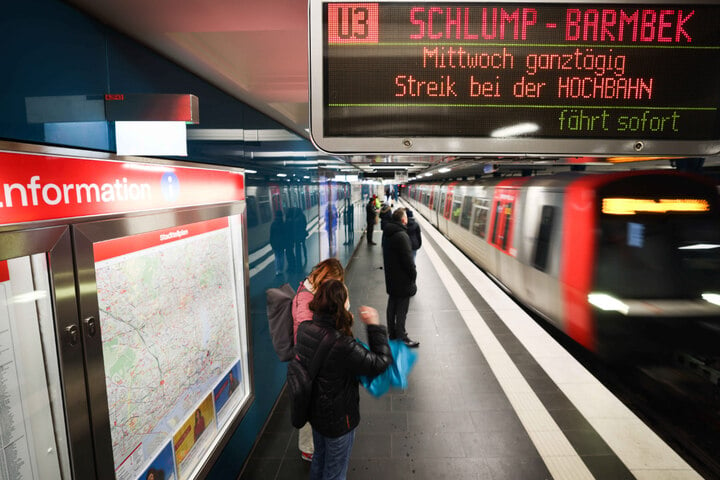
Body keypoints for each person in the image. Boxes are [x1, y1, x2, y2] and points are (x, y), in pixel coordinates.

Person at [295, 279, 391, 480]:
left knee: (319, 459)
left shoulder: (305, 329)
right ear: (340, 305)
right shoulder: (343, 345)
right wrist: (374, 326)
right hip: (338, 420)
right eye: (346, 297)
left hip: (315, 413)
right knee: (335, 472)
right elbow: (380, 363)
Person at [291, 258, 345, 462]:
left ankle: (316, 442)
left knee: (314, 402)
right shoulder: (305, 298)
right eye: (334, 281)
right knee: (307, 402)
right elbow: (307, 333)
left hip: (314, 357)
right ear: (325, 276)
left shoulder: (314, 290)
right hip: (306, 360)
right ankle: (307, 449)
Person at [382, 207, 419, 348]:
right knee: (402, 309)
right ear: (403, 219)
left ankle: (392, 333)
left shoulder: (387, 232)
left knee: (392, 305)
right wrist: (413, 276)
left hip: (391, 277)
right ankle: (402, 336)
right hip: (403, 279)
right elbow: (408, 261)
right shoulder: (402, 236)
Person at [269, 210, 287, 276]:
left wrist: (271, 243)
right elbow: (285, 235)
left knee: (276, 257)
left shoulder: (273, 224)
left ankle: (277, 270)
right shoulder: (283, 224)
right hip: (281, 244)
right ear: (282, 216)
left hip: (275, 244)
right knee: (281, 256)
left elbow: (271, 235)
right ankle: (281, 270)